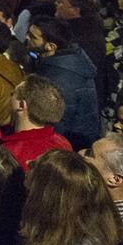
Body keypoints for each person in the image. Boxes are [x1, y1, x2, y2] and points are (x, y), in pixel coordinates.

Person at [29, 16, 100, 149]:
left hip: (71, 144)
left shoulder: (60, 79)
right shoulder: (69, 60)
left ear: (51, 46)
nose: (27, 39)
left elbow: (56, 122)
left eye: (33, 37)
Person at [0, 75, 72, 169]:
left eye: (13, 94)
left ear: (21, 105)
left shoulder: (9, 154)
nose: (10, 96)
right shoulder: (63, 143)